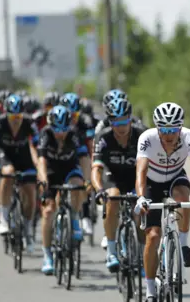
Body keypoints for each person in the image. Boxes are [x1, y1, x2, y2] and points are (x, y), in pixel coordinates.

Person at [135, 102, 190, 302]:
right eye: (164, 129)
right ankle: (150, 293)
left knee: (183, 196)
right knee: (152, 236)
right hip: (151, 182)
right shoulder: (147, 138)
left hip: (175, 178)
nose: (169, 134)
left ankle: (184, 245)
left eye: (174, 129)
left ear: (180, 127)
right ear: (157, 127)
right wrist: (141, 197)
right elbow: (141, 171)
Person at [91, 97, 146, 271]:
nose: (121, 126)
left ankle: (143, 254)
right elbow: (96, 169)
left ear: (130, 118)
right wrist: (99, 189)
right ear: (110, 121)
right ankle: (112, 251)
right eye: (116, 122)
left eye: (125, 121)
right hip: (112, 175)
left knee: (141, 212)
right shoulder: (103, 137)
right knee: (112, 197)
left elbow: (151, 166)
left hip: (134, 176)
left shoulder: (141, 134)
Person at [36, 105, 90, 275]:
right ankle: (47, 256)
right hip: (51, 171)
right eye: (57, 129)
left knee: (77, 184)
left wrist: (87, 181)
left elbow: (84, 158)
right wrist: (43, 180)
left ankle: (74, 218)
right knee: (48, 211)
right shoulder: (45, 134)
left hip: (69, 168)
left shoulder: (74, 135)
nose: (60, 133)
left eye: (64, 129)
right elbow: (42, 160)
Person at [0, 94, 39, 252]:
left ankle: (28, 229)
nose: (15, 120)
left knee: (30, 193)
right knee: (7, 173)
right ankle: (4, 218)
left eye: (18, 116)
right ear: (6, 114)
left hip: (25, 159)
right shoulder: (0, 123)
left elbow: (37, 146)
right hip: (7, 157)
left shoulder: (29, 123)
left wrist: (40, 167)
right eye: (12, 116)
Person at [59, 92, 95, 237]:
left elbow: (91, 145)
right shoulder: (57, 121)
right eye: (70, 115)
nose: (73, 119)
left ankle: (85, 215)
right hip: (61, 158)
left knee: (84, 184)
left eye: (75, 115)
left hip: (81, 154)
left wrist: (94, 165)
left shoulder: (85, 121)